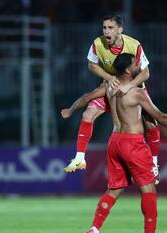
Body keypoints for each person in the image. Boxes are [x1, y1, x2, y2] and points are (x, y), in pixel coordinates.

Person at [83, 53, 167, 233]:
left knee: (114, 189)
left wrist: (70, 109)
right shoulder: (137, 92)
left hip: (114, 142)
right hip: (133, 143)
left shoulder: (109, 87)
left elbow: (86, 98)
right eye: (135, 64)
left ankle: (94, 231)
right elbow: (159, 117)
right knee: (149, 189)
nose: (138, 66)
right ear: (128, 70)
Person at [64, 14, 160, 174]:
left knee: (151, 123)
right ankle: (80, 157)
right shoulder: (97, 43)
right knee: (88, 114)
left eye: (110, 28)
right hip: (110, 87)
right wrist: (109, 78)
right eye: (104, 27)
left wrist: (129, 85)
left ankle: (154, 163)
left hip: (134, 88)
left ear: (120, 30)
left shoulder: (134, 45)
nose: (106, 31)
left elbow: (146, 73)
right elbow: (91, 65)